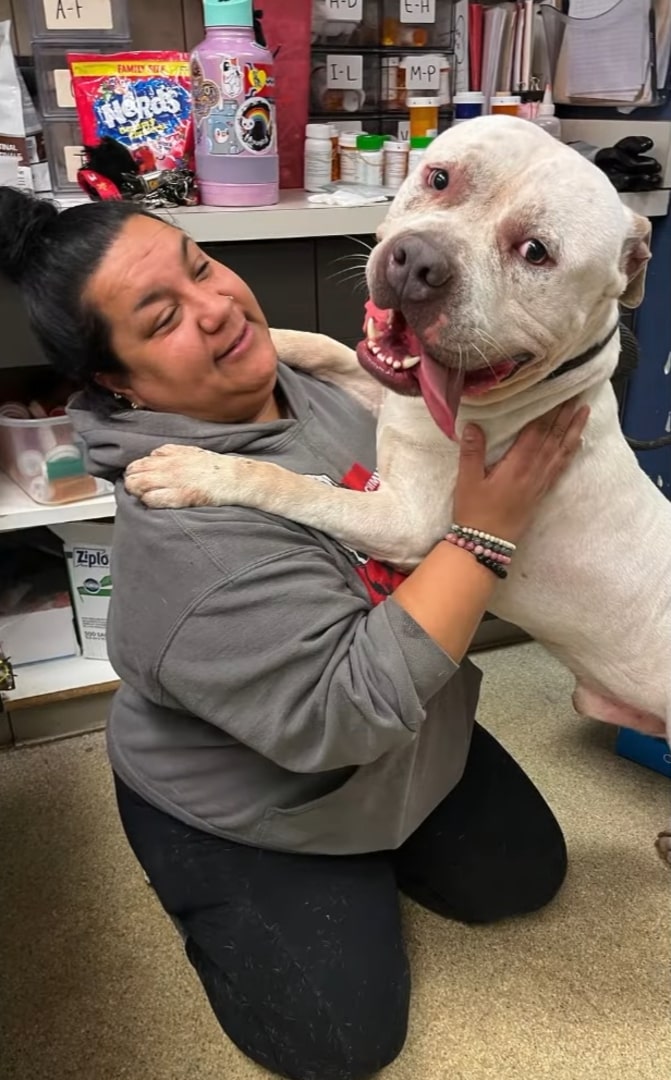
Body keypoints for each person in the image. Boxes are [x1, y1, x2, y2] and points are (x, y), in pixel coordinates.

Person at [0, 188, 588, 1080]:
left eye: (200, 265)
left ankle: (373, 844)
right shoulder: (190, 540)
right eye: (163, 320)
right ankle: (199, 865)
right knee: (339, 1042)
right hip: (268, 784)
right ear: (113, 381)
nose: (217, 308)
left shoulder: (297, 372)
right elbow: (340, 717)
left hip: (399, 723)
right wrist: (485, 530)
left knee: (520, 878)